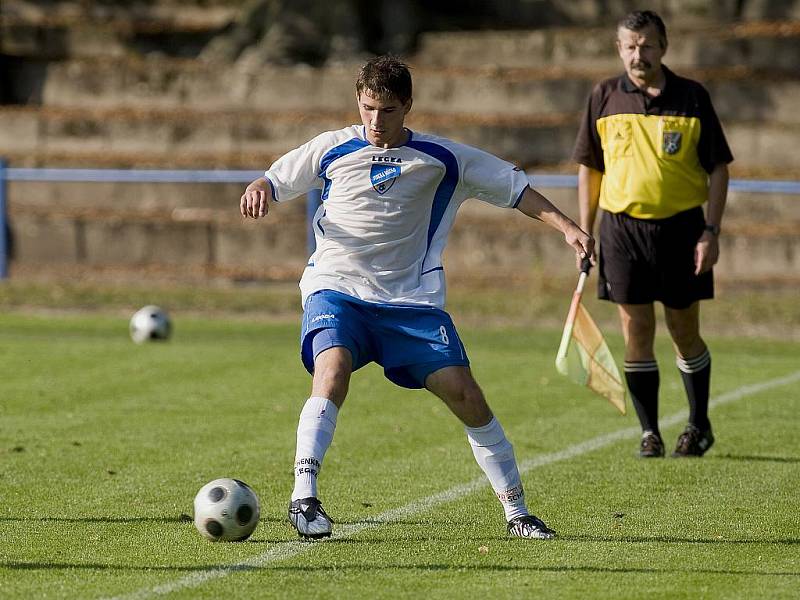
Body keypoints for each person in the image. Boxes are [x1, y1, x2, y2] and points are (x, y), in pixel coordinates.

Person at [240, 55, 594, 540]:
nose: (375, 121)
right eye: (367, 108)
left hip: (411, 303)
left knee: (467, 396)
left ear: (407, 105)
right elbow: (276, 179)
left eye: (387, 110)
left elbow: (516, 189)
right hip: (337, 288)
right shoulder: (332, 148)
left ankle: (517, 513)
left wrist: (569, 228)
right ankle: (304, 497)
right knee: (333, 369)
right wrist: (259, 186)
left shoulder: (443, 159)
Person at [572, 11, 733, 459]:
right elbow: (590, 167)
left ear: (663, 47)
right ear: (619, 48)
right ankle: (650, 433)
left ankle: (698, 424)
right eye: (629, 46)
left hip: (682, 229)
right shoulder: (603, 95)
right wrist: (586, 231)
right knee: (635, 329)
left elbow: (718, 168)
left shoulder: (692, 97)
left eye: (646, 45)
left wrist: (711, 231)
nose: (638, 54)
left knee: (683, 329)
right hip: (622, 230)